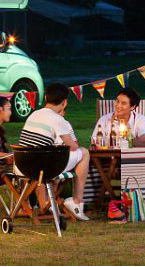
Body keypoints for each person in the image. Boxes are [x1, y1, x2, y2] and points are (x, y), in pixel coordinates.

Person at [18, 82, 90, 220]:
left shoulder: (33, 115)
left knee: (45, 157)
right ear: (64, 102)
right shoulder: (57, 119)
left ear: (45, 98)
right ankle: (77, 202)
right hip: (42, 169)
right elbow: (73, 147)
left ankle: (44, 204)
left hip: (23, 165)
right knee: (84, 153)